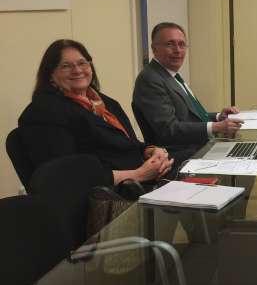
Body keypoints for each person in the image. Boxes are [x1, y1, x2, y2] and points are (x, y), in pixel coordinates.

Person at [18, 39, 173, 186]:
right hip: (109, 195)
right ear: (51, 75)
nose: (77, 70)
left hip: (144, 180)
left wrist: (152, 151)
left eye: (82, 63)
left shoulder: (106, 103)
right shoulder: (44, 112)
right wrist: (138, 175)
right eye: (66, 66)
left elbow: (128, 144)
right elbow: (66, 174)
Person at [133, 22, 241, 161]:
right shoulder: (150, 79)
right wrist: (215, 127)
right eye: (170, 44)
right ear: (154, 48)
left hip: (198, 148)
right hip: (178, 157)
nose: (178, 50)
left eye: (182, 44)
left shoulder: (171, 75)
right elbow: (169, 130)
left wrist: (219, 117)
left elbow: (188, 116)